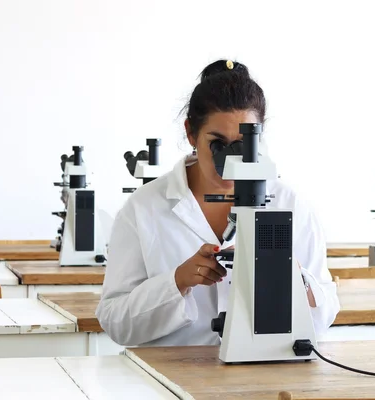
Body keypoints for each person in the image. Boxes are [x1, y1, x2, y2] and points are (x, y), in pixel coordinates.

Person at [96, 59, 340, 347]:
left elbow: (324, 314)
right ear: (191, 133)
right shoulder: (142, 209)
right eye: (218, 144)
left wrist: (292, 276)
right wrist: (177, 282)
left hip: (267, 375)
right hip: (172, 378)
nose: (232, 160)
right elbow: (114, 322)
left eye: (242, 145)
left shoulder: (290, 204)